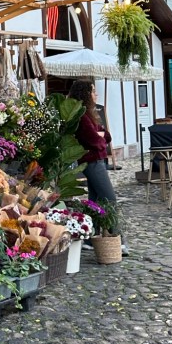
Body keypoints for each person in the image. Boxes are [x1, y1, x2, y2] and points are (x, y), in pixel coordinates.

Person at [68, 80, 129, 255]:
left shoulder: (89, 114)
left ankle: (88, 239)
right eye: (93, 91)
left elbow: (106, 135)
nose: (96, 94)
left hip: (97, 160)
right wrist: (100, 137)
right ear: (85, 94)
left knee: (94, 202)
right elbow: (95, 141)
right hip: (92, 162)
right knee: (109, 199)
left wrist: (100, 136)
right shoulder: (82, 116)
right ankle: (117, 239)